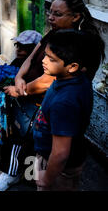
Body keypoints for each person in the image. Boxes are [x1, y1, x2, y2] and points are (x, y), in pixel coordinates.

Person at [0, 0, 105, 191]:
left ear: (76, 17)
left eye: (58, 14)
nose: (51, 17)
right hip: (31, 93)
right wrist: (19, 78)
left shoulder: (80, 46)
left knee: (30, 140)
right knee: (32, 142)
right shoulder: (55, 33)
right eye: (50, 12)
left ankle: (21, 175)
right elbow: (33, 56)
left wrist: (21, 91)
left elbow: (48, 81)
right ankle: (27, 175)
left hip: (41, 100)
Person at [34, 30, 102, 191]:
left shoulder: (65, 102)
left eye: (51, 59)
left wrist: (47, 178)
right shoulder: (73, 80)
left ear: (72, 67)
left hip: (58, 167)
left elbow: (60, 153)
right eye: (45, 55)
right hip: (46, 154)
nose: (44, 61)